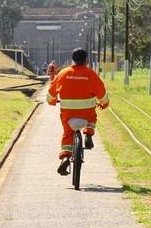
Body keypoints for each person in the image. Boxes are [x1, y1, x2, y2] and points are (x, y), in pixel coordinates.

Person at [47, 47, 109, 176]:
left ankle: (65, 157)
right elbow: (102, 93)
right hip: (86, 114)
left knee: (68, 133)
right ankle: (88, 134)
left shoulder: (63, 73)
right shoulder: (91, 74)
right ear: (86, 60)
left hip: (68, 115)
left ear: (73, 59)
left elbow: (50, 93)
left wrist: (52, 102)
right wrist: (104, 103)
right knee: (92, 118)